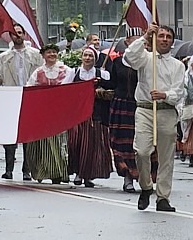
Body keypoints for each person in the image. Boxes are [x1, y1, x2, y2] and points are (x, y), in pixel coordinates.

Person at [124, 23, 185, 213]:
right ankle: (146, 186)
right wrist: (144, 37)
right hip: (145, 110)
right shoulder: (145, 58)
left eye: (168, 36)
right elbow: (129, 57)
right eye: (161, 35)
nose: (164, 39)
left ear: (172, 41)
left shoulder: (178, 65)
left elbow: (179, 91)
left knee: (167, 157)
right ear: (154, 38)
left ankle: (163, 197)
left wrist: (165, 95)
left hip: (166, 111)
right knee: (141, 151)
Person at [107, 27, 157, 193]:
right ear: (127, 42)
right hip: (121, 105)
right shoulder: (116, 63)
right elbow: (112, 83)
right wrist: (99, 80)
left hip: (140, 104)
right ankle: (127, 177)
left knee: (143, 143)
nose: (137, 42)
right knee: (122, 143)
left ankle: (145, 177)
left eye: (139, 39)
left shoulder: (148, 61)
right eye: (133, 39)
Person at [0, 23, 43, 180]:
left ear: (24, 34)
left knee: (27, 136)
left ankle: (26, 170)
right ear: (11, 36)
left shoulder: (35, 54)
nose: (17, 35)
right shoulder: (4, 57)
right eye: (14, 33)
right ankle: (9, 169)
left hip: (29, 98)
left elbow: (41, 73)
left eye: (20, 32)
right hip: (10, 98)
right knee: (10, 136)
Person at [24, 44, 75, 184]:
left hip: (59, 112)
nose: (52, 55)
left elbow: (70, 89)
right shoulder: (38, 72)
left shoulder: (66, 71)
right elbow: (29, 88)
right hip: (42, 112)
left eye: (54, 52)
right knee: (42, 143)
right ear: (43, 55)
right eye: (49, 52)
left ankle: (59, 172)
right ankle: (42, 170)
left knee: (58, 142)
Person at [67, 47, 113, 187]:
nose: (88, 58)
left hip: (95, 115)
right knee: (77, 145)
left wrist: (100, 90)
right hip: (78, 115)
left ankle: (87, 175)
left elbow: (110, 90)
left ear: (95, 58)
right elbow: (66, 90)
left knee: (91, 146)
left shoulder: (103, 74)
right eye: (85, 55)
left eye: (91, 56)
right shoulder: (73, 72)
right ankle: (77, 173)